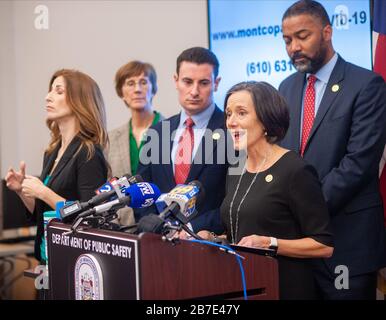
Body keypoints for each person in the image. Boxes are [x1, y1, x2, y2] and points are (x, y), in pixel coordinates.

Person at [279, 0, 386, 299]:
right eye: (287, 40)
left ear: (327, 32)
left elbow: (359, 164)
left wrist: (303, 208)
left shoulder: (366, 84)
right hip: (297, 249)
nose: (294, 47)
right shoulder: (285, 88)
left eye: (302, 36)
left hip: (347, 245)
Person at [198, 81, 333, 299]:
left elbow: (323, 245)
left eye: (241, 113)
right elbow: (243, 231)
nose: (231, 122)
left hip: (286, 288)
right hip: (245, 286)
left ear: (266, 119)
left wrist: (269, 243)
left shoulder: (295, 170)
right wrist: (212, 237)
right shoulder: (236, 167)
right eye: (229, 114)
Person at [5, 69, 109, 264]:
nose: (48, 97)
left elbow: (88, 219)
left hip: (74, 260)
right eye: (50, 90)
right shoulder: (52, 152)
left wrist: (43, 192)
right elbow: (44, 212)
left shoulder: (89, 153)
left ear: (80, 100)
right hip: (48, 257)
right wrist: (22, 191)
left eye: (58, 91)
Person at [136, 47, 228, 234]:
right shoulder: (157, 131)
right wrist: (155, 225)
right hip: (157, 243)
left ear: (216, 83)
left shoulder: (231, 131)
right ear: (176, 81)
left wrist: (189, 229)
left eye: (203, 83)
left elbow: (233, 201)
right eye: (187, 81)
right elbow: (141, 190)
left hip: (208, 244)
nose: (194, 91)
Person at [106, 61, 163, 227]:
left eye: (144, 82)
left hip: (162, 225)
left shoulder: (172, 131)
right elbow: (110, 185)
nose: (137, 89)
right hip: (123, 226)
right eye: (130, 83)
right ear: (121, 92)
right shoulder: (111, 139)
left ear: (153, 89)